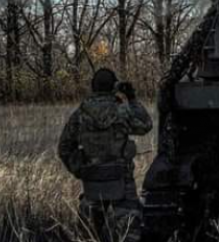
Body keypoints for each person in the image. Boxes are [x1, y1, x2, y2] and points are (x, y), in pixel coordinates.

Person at [58, 68, 153, 242]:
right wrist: (132, 98)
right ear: (114, 87)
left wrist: (80, 168)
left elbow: (64, 147)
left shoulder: (80, 115)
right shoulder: (122, 111)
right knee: (128, 232)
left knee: (88, 234)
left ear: (93, 87)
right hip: (122, 181)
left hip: (92, 183)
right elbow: (146, 125)